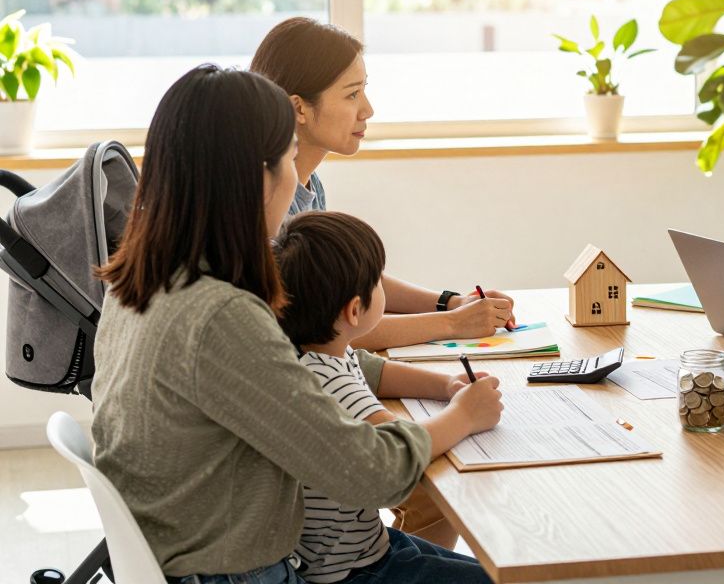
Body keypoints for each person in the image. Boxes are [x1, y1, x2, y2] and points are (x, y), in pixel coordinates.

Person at [91, 65, 493, 581]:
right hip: (235, 570)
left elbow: (297, 375)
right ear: (260, 179)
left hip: (181, 551)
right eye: (288, 157)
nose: (294, 175)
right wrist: (462, 416)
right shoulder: (219, 315)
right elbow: (371, 474)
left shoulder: (143, 281)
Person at [249, 16, 515, 352]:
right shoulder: (270, 202)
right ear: (299, 108)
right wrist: (452, 323)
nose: (368, 110)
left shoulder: (309, 182)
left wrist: (451, 302)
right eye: (352, 95)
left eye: (364, 90)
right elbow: (325, 329)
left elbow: (348, 282)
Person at [273, 210, 500, 584]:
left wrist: (444, 386)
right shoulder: (326, 383)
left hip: (367, 546)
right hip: (354, 571)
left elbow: (370, 370)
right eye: (377, 283)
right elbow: (398, 447)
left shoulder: (313, 352)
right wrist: (466, 414)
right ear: (354, 310)